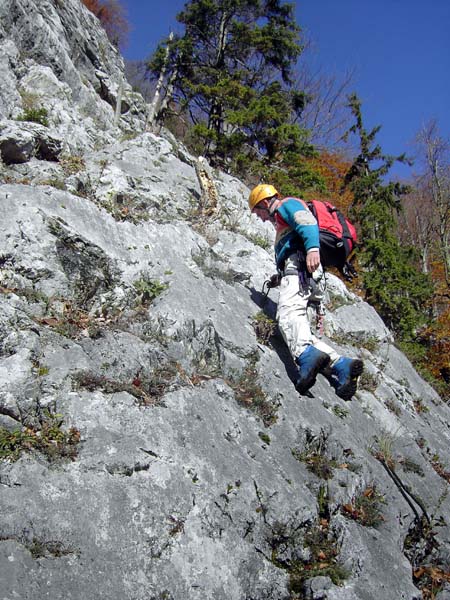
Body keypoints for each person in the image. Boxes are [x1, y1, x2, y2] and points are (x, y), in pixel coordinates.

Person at [249, 183, 363, 400]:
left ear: (265, 202)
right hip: (306, 274)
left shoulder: (286, 205)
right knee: (300, 326)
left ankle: (304, 355)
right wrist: (280, 277)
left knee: (287, 315)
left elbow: (306, 222)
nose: (261, 218)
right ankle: (341, 365)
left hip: (300, 266)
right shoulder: (282, 221)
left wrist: (311, 248)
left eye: (259, 212)